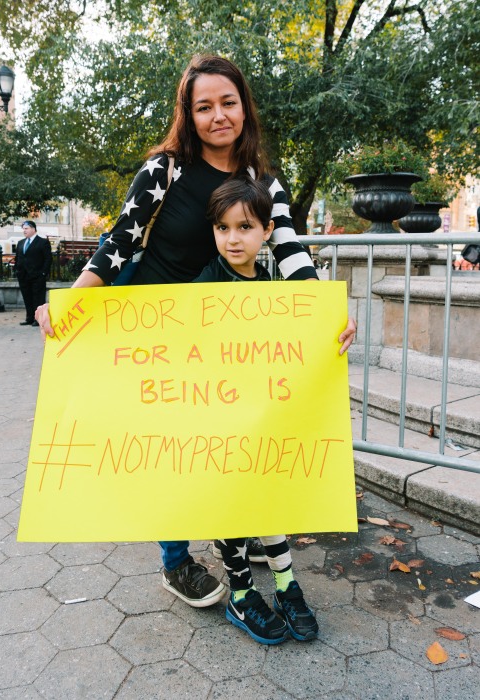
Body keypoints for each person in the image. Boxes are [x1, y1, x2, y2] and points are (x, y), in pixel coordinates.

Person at [36, 54, 356, 609]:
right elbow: (121, 240)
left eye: (227, 103)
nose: (217, 116)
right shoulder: (165, 169)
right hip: (155, 331)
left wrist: (324, 314)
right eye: (203, 106)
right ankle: (175, 562)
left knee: (225, 440)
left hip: (223, 336)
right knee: (171, 448)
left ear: (243, 107)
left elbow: (289, 250)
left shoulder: (263, 182)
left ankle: (238, 521)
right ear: (189, 114)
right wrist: (71, 300)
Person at [191, 175, 319, 644]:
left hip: (261, 421)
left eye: (244, 227)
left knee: (268, 500)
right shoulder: (206, 281)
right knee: (232, 507)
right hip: (220, 423)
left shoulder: (272, 285)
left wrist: (332, 334)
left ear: (267, 230)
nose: (233, 238)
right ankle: (243, 593)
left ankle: (286, 584)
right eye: (223, 229)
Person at [14, 221, 52, 327]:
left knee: (38, 298)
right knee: (27, 297)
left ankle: (38, 319)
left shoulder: (42, 242)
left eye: (26, 228)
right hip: (23, 275)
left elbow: (48, 259)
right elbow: (18, 258)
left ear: (33, 229)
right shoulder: (21, 243)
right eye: (23, 229)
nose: (24, 231)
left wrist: (43, 273)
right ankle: (29, 318)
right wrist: (17, 270)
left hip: (37, 275)